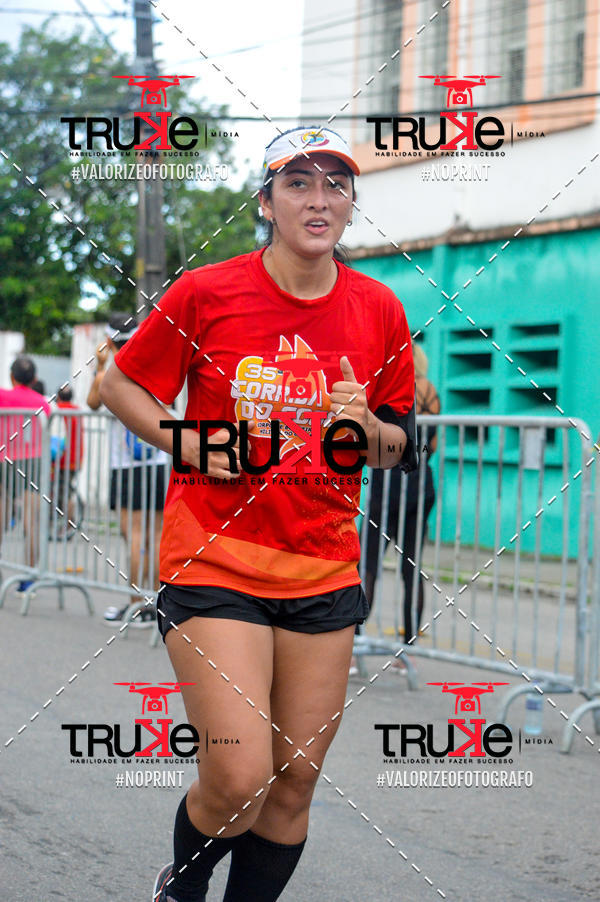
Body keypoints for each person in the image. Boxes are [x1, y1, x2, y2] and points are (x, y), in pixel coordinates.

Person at [99, 126, 416, 902]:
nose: (318, 199)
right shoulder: (207, 291)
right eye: (298, 183)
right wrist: (188, 440)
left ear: (350, 204)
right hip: (215, 559)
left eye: (334, 184)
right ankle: (180, 890)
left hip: (322, 565)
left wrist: (365, 427)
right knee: (240, 776)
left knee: (295, 780)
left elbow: (399, 447)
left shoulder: (380, 308)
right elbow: (117, 385)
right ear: (266, 202)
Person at [87, 313, 167, 625]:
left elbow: (93, 403)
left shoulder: (109, 376)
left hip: (125, 467)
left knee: (133, 536)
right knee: (157, 536)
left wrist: (101, 364)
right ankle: (157, 602)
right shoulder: (153, 369)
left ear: (108, 341)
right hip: (158, 462)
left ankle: (136, 603)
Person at [362, 341, 440, 647]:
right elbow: (430, 446)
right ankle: (408, 647)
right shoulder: (431, 392)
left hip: (389, 482)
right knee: (412, 567)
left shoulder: (393, 389)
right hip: (421, 484)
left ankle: (354, 642)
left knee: (368, 564)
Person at [0, 356, 51, 593]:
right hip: (33, 461)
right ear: (35, 379)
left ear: (12, 376)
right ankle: (30, 575)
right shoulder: (43, 401)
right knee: (32, 520)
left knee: (1, 516)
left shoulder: (3, 396)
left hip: (4, 459)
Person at [52, 385, 84, 526]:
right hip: (76, 458)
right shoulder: (77, 411)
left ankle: (69, 523)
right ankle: (68, 522)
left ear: (58, 397)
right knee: (66, 490)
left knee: (61, 492)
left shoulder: (57, 411)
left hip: (61, 459)